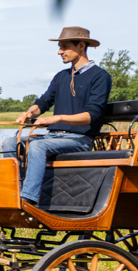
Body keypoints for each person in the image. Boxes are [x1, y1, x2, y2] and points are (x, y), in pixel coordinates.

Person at [14, 28, 111, 207]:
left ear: (81, 46)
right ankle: (12, 191)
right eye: (60, 47)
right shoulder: (61, 76)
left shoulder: (100, 76)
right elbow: (43, 102)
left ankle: (27, 200)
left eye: (64, 47)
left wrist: (56, 119)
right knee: (11, 143)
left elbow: (92, 115)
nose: (60, 52)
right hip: (53, 138)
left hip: (80, 140)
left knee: (37, 146)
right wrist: (29, 113)